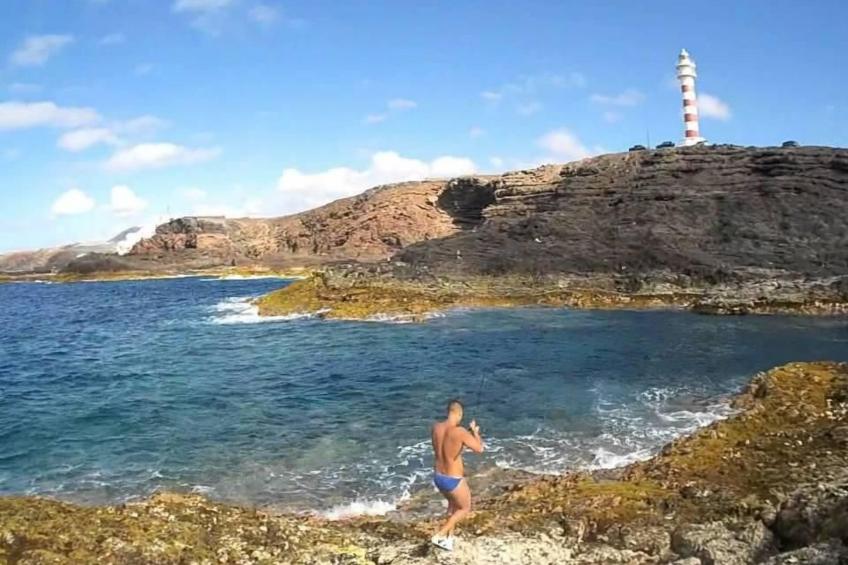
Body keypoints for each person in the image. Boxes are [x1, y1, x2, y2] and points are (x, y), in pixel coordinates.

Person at [430, 398, 484, 551]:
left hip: (438, 476)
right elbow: (479, 449)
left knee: (453, 507)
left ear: (449, 412)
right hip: (453, 479)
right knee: (464, 508)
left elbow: (445, 450)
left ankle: (449, 539)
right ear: (459, 414)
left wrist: (461, 442)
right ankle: (440, 535)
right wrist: (474, 433)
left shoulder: (436, 428)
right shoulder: (460, 432)